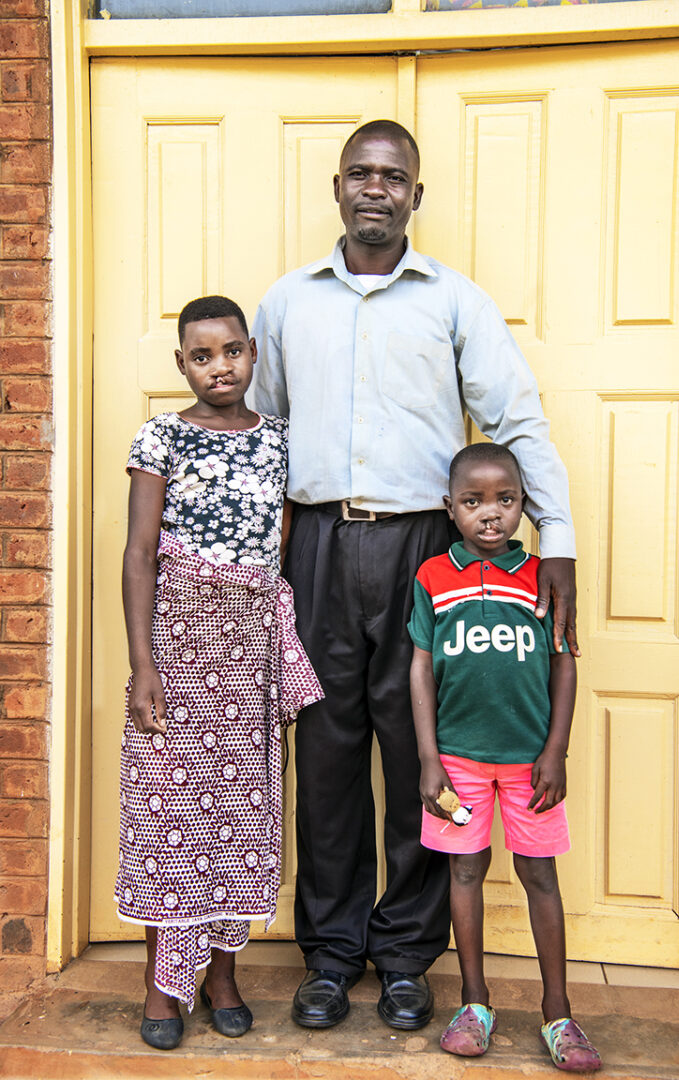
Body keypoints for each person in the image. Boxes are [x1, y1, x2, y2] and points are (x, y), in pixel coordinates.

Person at [250, 119, 579, 1032]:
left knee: (421, 759)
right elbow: (265, 437)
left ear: (415, 196)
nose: (375, 189)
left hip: (423, 554)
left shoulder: (453, 302)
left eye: (393, 177)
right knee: (323, 753)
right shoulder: (286, 303)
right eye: (359, 173)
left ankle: (403, 954)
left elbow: (516, 418)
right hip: (315, 545)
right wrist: (253, 568)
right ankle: (329, 954)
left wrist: (558, 540)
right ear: (337, 186)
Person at [116, 295, 323, 1050]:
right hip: (178, 646)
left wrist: (273, 646)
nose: (219, 367)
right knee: (168, 816)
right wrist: (143, 666)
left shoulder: (278, 442)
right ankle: (161, 987)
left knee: (237, 816)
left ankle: (223, 975)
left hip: (246, 655)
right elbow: (140, 554)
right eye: (201, 356)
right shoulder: (160, 437)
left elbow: (279, 551)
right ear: (181, 364)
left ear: (252, 353)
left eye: (231, 351)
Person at [408, 441, 600, 1072]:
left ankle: (558, 1012)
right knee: (464, 873)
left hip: (529, 763)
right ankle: (474, 1003)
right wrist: (429, 758)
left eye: (505, 500)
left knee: (540, 876)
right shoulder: (433, 577)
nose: (489, 514)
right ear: (449, 508)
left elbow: (564, 666)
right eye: (473, 501)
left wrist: (556, 751)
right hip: (457, 762)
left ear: (523, 505)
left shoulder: (543, 575)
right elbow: (421, 669)